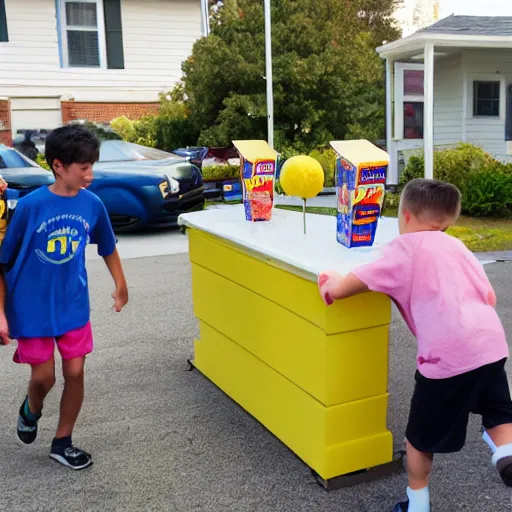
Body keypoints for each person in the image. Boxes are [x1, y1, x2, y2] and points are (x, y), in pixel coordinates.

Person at [318, 178, 512, 512]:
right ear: (447, 221)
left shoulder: (404, 249)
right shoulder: (460, 248)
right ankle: (507, 454)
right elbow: (489, 296)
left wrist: (330, 283)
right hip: (491, 345)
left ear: (405, 215)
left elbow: (354, 283)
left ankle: (417, 504)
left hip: (446, 356)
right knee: (497, 413)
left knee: (419, 439)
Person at [0, 125, 128, 470]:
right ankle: (31, 409)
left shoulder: (93, 204)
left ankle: (62, 441)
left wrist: (120, 283)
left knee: (75, 372)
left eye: (91, 166)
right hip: (31, 309)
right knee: (44, 378)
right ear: (58, 165)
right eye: (83, 167)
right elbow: (3, 261)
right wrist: (0, 313)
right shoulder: (30, 207)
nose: (90, 174)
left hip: (73, 305)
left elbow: (108, 246)